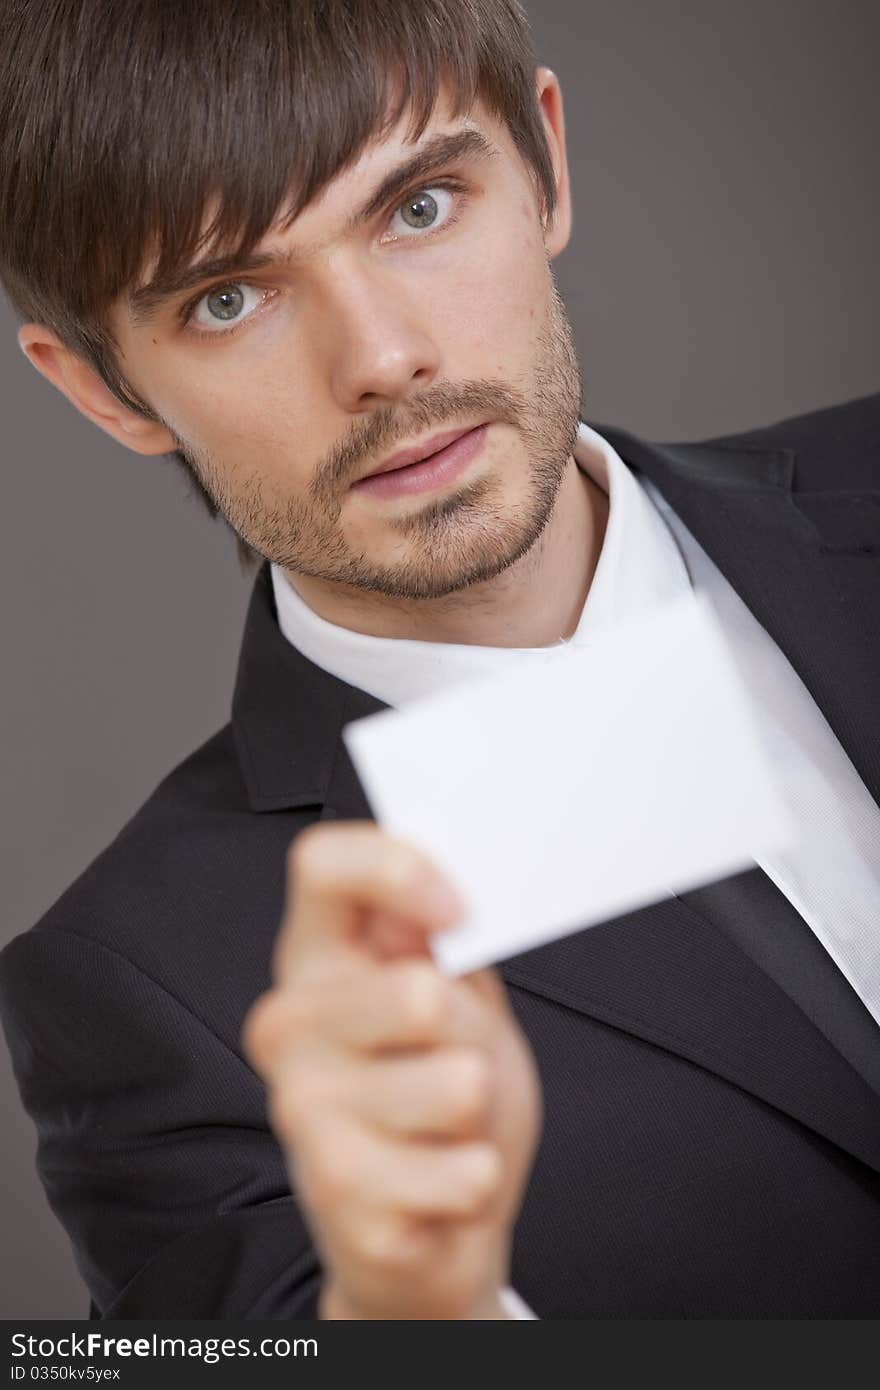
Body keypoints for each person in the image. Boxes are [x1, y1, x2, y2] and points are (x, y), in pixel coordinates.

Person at [0, 0, 878, 1320]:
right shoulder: (138, 1001)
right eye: (229, 298)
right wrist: (419, 1300)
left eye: (418, 207)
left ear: (544, 164)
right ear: (105, 391)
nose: (385, 358)